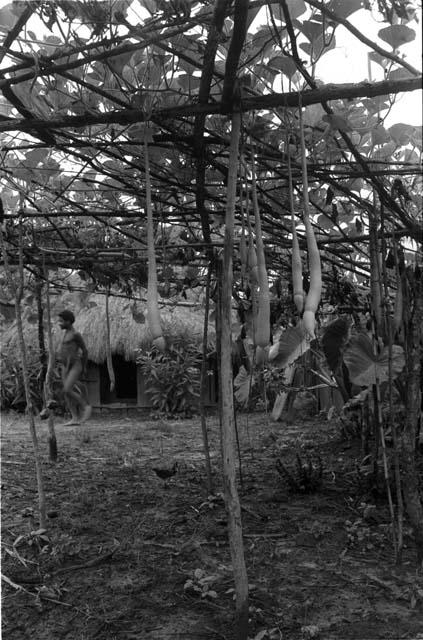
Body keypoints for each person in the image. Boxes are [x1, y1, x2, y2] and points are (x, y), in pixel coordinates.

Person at [58, 309, 92, 425]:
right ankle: (74, 418)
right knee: (66, 392)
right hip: (65, 366)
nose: (59, 323)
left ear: (68, 321)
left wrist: (85, 366)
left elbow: (85, 351)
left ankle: (86, 407)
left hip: (75, 365)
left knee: (67, 389)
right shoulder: (65, 334)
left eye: (61, 321)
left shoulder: (75, 334)